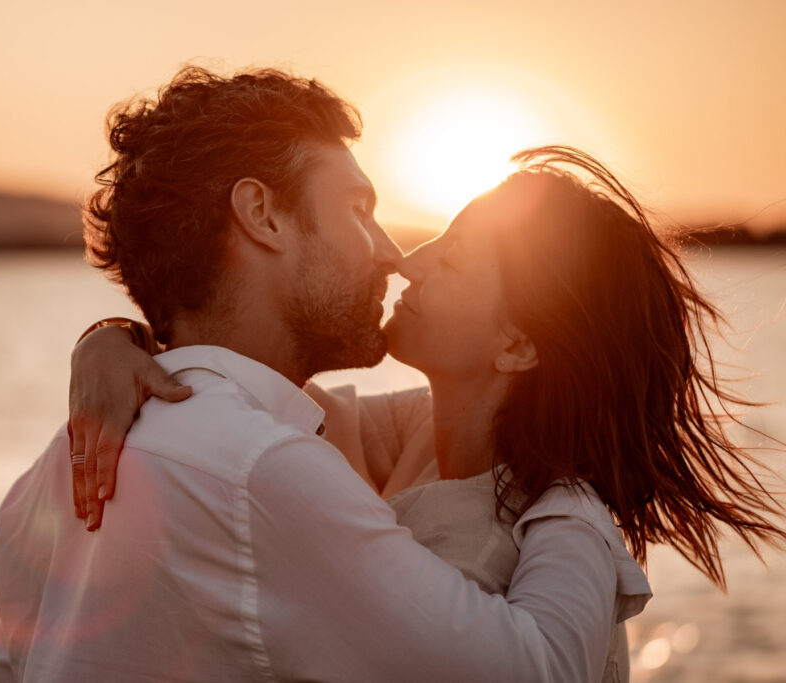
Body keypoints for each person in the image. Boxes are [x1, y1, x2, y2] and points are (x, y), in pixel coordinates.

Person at [61, 139, 786, 682]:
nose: (409, 261)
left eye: (458, 258)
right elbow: (238, 386)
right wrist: (114, 340)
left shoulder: (559, 523)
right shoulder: (419, 433)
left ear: (515, 344)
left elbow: (548, 668)